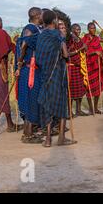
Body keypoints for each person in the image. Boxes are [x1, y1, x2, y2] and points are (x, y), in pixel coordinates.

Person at [36, 9, 76, 147]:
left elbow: (39, 57)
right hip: (58, 73)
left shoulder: (41, 35)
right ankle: (61, 138)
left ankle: (47, 140)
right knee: (62, 103)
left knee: (47, 104)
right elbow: (65, 54)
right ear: (54, 21)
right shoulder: (57, 35)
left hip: (44, 74)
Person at [14, 7, 44, 144]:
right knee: (30, 100)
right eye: (42, 14)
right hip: (29, 69)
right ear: (38, 15)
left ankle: (30, 132)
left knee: (33, 100)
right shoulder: (30, 28)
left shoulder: (36, 28)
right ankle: (27, 135)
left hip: (33, 68)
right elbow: (24, 43)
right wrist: (19, 63)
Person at [82, 23, 103, 115]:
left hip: (97, 66)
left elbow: (100, 49)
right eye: (91, 28)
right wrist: (94, 52)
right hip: (89, 66)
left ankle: (96, 108)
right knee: (89, 88)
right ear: (88, 29)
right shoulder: (85, 38)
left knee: (98, 88)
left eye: (94, 28)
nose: (93, 29)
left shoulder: (97, 38)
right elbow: (83, 51)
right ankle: (91, 108)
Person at [67, 24, 88, 117]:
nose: (78, 31)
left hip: (80, 68)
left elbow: (84, 50)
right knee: (71, 91)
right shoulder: (69, 40)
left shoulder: (79, 39)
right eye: (76, 29)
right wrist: (80, 49)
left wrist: (84, 47)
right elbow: (67, 54)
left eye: (79, 29)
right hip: (71, 67)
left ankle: (78, 110)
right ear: (72, 30)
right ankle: (69, 112)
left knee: (81, 89)